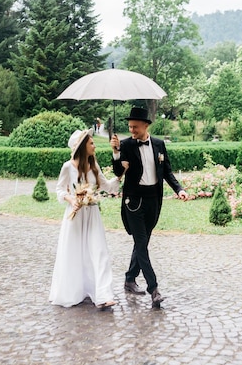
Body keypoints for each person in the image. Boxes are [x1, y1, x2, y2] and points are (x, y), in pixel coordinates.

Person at [110, 107, 188, 308]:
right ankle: (154, 289)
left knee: (142, 242)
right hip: (134, 202)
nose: (132, 130)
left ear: (146, 125)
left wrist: (179, 189)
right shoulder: (125, 145)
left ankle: (129, 279)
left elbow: (167, 172)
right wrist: (116, 152)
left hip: (153, 200)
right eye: (129, 127)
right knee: (142, 243)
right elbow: (118, 172)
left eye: (135, 127)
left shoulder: (159, 145)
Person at [49, 128, 121, 310]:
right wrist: (72, 199)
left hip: (93, 215)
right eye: (91, 143)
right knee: (74, 253)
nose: (94, 145)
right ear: (82, 146)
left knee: (99, 252)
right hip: (75, 216)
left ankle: (103, 295)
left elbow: (107, 186)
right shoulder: (68, 167)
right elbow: (59, 189)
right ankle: (75, 290)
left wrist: (121, 174)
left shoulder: (94, 166)